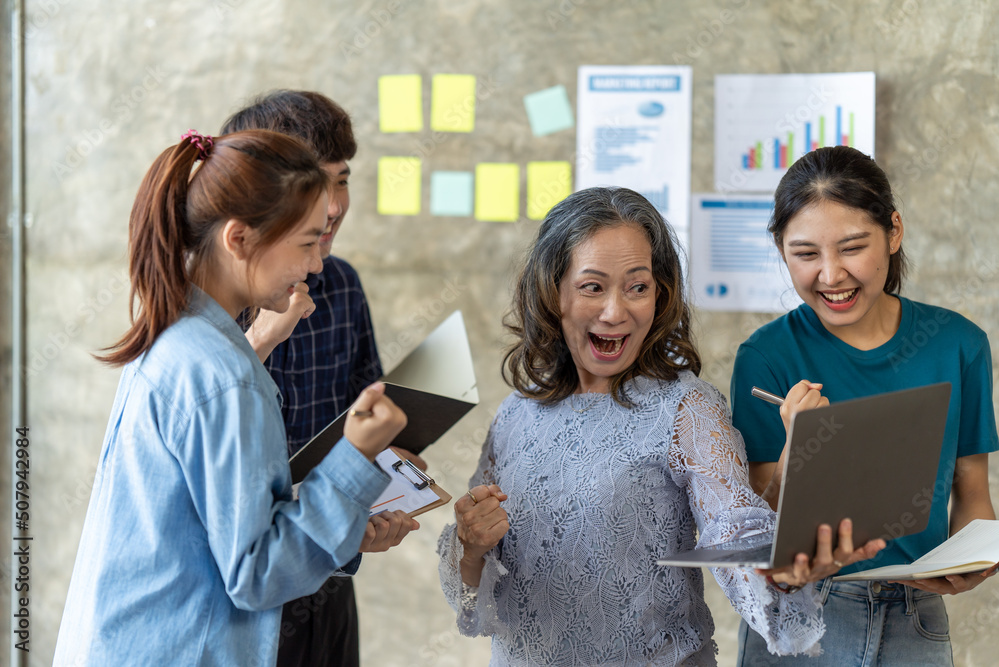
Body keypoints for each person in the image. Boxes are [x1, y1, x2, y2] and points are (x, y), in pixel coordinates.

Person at [436, 186, 882, 666]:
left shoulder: (687, 409)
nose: (616, 311)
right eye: (592, 286)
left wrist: (785, 571)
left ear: (660, 294)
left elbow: (736, 537)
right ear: (552, 292)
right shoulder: (515, 413)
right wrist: (469, 545)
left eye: (637, 286)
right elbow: (473, 601)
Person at [53, 129, 408, 665]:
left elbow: (207, 521)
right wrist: (355, 459)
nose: (316, 265)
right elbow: (256, 575)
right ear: (239, 239)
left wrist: (346, 520)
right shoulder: (223, 375)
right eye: (307, 242)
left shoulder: (178, 337)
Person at [731, 145, 999, 666]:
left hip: (916, 614)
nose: (830, 276)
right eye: (805, 254)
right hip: (804, 617)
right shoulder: (766, 356)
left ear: (893, 231)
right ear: (781, 250)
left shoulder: (959, 344)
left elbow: (972, 496)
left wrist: (978, 557)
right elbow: (759, 530)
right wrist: (795, 452)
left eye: (852, 247)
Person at [220, 90, 419, 667]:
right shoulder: (206, 310)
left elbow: (367, 418)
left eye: (342, 179)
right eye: (314, 187)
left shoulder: (343, 286)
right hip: (243, 603)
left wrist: (390, 470)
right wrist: (259, 339)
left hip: (328, 583)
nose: (332, 206)